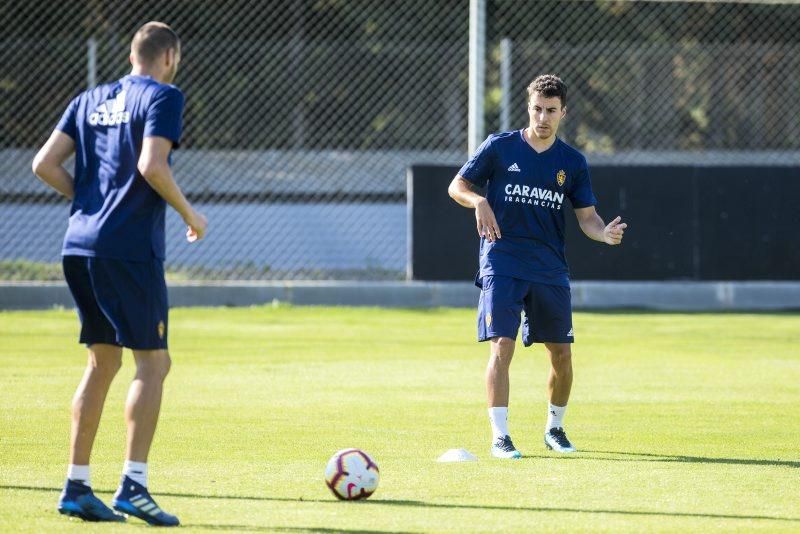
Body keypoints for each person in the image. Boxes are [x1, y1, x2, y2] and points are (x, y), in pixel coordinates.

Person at [32, 21, 207, 525]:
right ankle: (134, 484)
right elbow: (153, 166)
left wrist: (90, 201)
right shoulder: (164, 96)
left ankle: (77, 486)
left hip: (79, 246)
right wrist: (190, 214)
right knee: (153, 365)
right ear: (169, 55)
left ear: (133, 54)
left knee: (102, 363)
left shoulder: (89, 99)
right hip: (128, 249)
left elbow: (44, 164)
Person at [448, 74, 626, 459]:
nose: (542, 117)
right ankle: (500, 436)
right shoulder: (500, 147)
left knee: (562, 354)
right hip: (502, 260)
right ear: (528, 108)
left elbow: (588, 218)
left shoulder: (572, 162)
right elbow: (457, 186)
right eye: (536, 109)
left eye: (550, 111)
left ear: (563, 112)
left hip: (549, 267)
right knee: (502, 345)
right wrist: (479, 202)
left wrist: (604, 234)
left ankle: (555, 429)